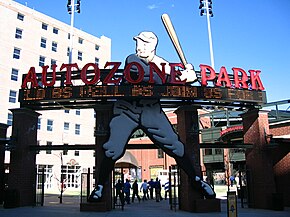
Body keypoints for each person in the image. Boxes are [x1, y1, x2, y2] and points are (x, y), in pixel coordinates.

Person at [90, 31, 215, 201]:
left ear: (153, 46)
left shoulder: (163, 63)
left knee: (177, 146)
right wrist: (180, 77)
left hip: (151, 109)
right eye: (138, 42)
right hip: (127, 108)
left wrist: (189, 76)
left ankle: (197, 180)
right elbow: (148, 76)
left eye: (144, 43)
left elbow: (169, 77)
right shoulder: (132, 58)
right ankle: (99, 187)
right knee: (113, 148)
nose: (140, 46)